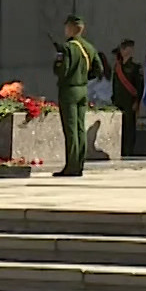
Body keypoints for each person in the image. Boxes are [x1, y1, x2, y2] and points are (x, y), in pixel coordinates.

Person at [52, 15, 97, 177]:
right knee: (80, 128)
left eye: (67, 27)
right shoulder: (89, 47)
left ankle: (71, 166)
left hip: (69, 91)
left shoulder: (66, 48)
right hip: (83, 90)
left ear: (71, 28)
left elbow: (60, 71)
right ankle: (79, 164)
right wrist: (83, 77)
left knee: (70, 129)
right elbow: (98, 70)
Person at [108, 40, 143, 156]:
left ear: (130, 50)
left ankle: (129, 151)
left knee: (129, 128)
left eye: (125, 48)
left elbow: (139, 86)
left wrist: (137, 102)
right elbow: (115, 84)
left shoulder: (136, 68)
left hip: (129, 102)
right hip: (119, 101)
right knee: (120, 128)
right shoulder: (118, 67)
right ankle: (120, 151)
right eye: (122, 48)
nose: (122, 51)